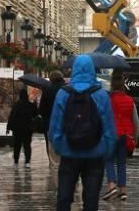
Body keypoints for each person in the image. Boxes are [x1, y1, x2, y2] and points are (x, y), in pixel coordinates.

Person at [49, 54, 117, 211]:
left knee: (64, 198)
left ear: (74, 70)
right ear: (92, 70)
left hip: (69, 154)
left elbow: (55, 127)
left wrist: (61, 148)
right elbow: (109, 129)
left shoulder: (63, 94)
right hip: (94, 155)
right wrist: (105, 151)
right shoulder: (101, 95)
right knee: (91, 200)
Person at [102, 71, 139, 202]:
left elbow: (104, 117)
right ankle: (123, 191)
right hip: (125, 135)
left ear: (111, 85)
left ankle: (111, 185)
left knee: (108, 160)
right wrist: (135, 138)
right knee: (122, 163)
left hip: (111, 134)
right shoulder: (129, 100)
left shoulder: (107, 99)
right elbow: (136, 121)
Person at [40, 70, 66, 168]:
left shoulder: (47, 90)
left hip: (50, 123)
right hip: (64, 123)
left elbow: (41, 110)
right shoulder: (67, 89)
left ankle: (53, 164)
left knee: (50, 145)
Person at [7, 87, 39, 166]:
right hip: (28, 128)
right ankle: (27, 161)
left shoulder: (16, 105)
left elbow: (12, 116)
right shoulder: (31, 105)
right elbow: (36, 114)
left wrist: (8, 127)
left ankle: (16, 160)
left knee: (17, 144)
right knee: (27, 145)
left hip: (17, 128)